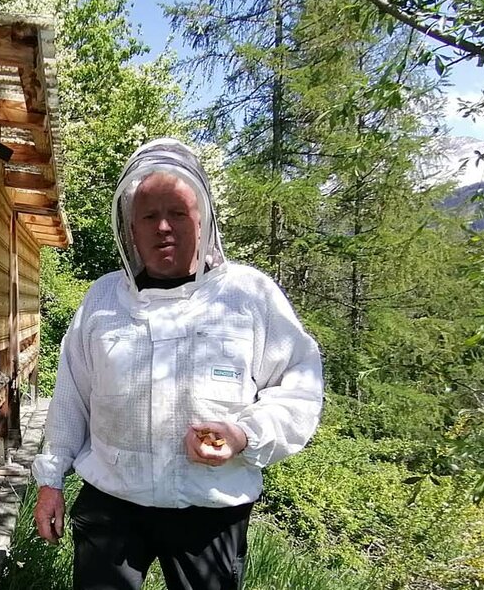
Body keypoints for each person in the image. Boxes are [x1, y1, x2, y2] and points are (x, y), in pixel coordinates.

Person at [31, 139, 324, 590]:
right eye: (150, 215)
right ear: (130, 227)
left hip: (210, 508)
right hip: (113, 502)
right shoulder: (103, 299)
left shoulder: (249, 295)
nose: (163, 227)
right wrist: (50, 481)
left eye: (178, 213)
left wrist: (244, 434)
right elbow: (71, 397)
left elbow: (298, 388)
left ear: (204, 220)